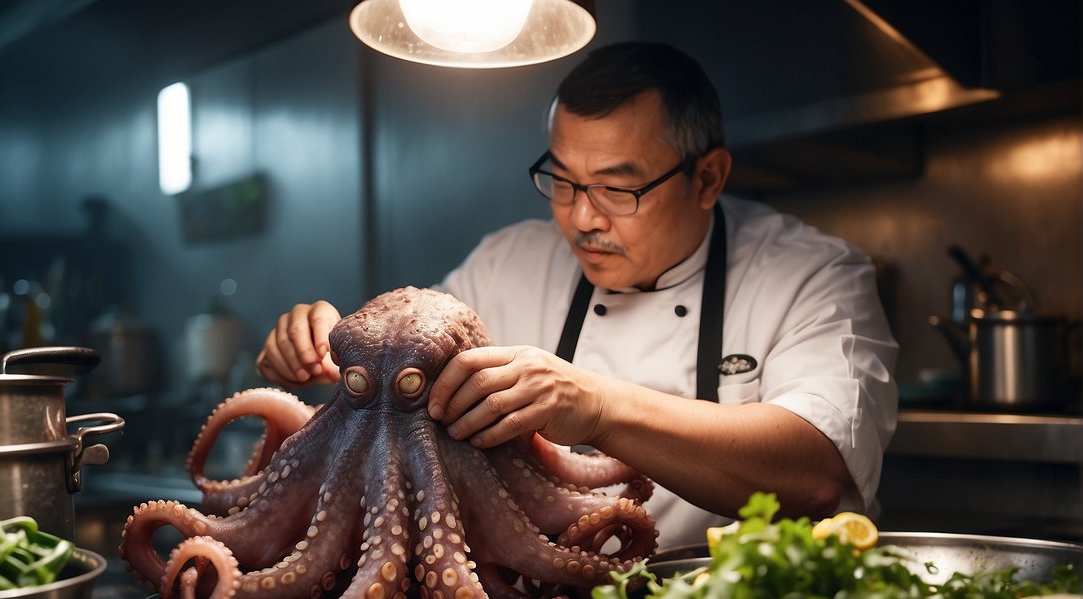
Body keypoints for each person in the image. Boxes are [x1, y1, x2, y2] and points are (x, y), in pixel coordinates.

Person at [256, 41, 898, 549]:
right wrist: (333, 350)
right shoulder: (509, 263)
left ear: (707, 178)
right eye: (562, 181)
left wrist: (594, 406)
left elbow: (816, 470)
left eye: (618, 189)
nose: (582, 218)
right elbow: (404, 390)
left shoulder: (812, 274)